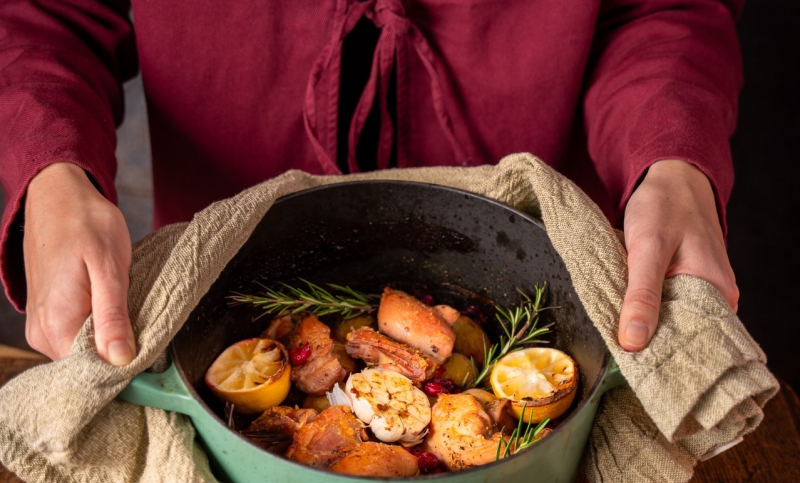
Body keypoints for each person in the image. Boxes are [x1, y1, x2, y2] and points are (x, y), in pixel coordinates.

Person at [0, 0, 741, 366]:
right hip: (219, 296)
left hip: (546, 290)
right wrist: (51, 168)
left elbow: (657, 8)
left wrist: (670, 156)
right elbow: (44, 14)